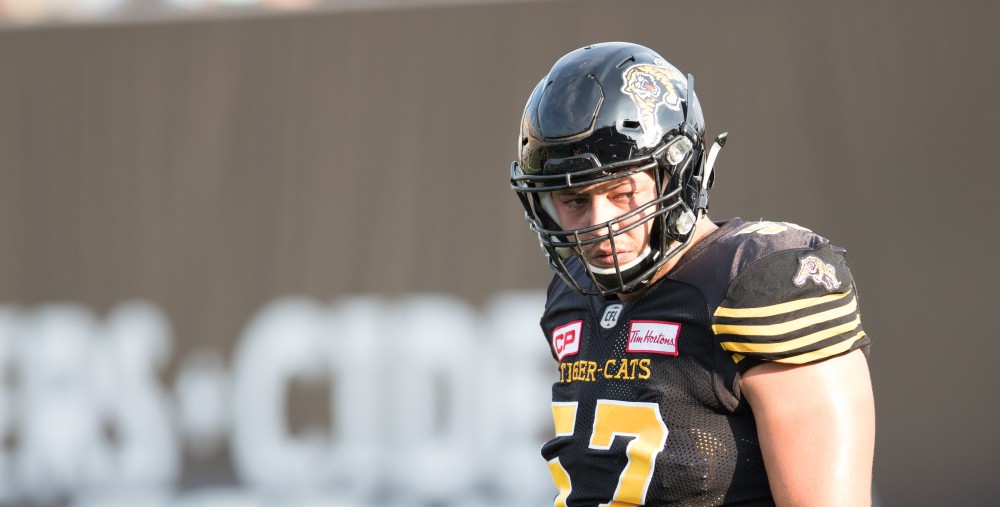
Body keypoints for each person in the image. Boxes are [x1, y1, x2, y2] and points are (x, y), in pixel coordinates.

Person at [509, 42, 875, 506]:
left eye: (622, 193)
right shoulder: (571, 295)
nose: (598, 225)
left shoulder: (763, 280)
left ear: (679, 175)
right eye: (575, 201)